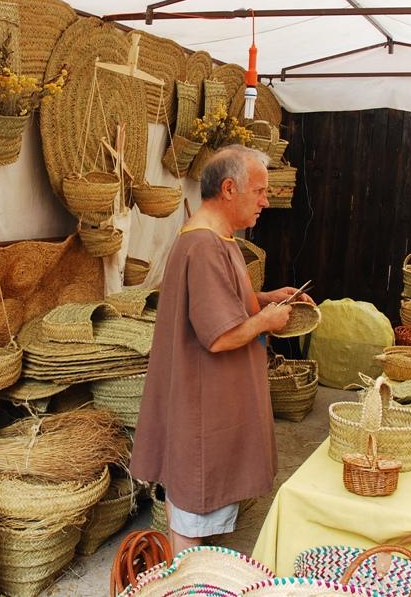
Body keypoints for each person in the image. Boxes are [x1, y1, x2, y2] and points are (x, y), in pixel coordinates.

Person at [130, 145, 314, 554]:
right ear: (229, 188)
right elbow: (218, 336)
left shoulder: (216, 239)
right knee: (194, 507)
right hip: (203, 405)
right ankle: (187, 582)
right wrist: (266, 321)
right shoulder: (206, 246)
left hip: (208, 400)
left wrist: (264, 299)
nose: (266, 201)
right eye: (260, 191)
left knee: (199, 508)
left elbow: (220, 304)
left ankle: (194, 577)